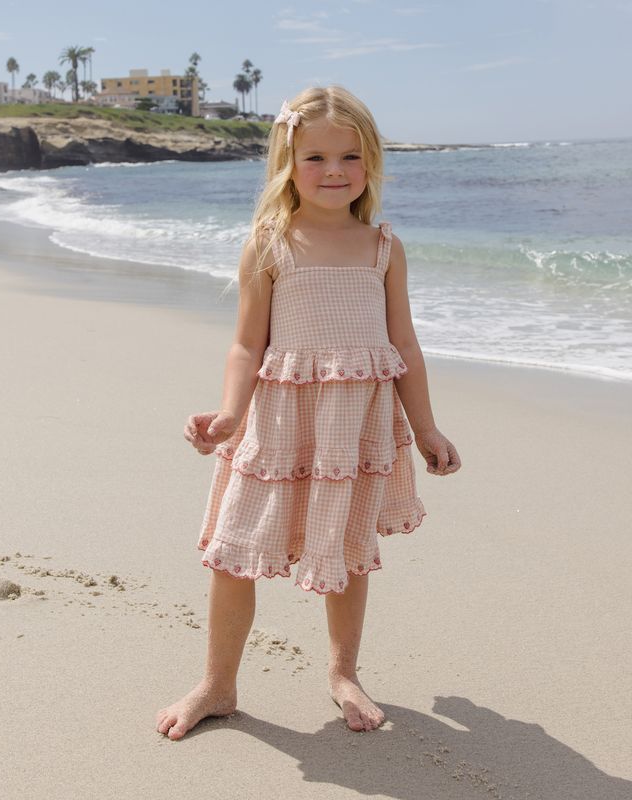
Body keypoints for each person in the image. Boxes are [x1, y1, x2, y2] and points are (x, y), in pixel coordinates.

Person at [156, 85, 461, 741]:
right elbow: (247, 343)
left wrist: (426, 426)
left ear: (371, 161)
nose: (334, 171)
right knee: (233, 553)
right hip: (277, 428)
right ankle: (218, 682)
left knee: (348, 551)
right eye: (316, 157)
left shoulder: (383, 247)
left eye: (350, 156)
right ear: (287, 163)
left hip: (351, 431)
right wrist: (230, 415)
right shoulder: (270, 244)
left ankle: (343, 671)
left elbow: (404, 344)